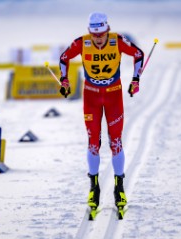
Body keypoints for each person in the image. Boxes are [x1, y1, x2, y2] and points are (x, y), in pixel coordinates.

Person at [58, 12, 144, 212]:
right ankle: (94, 187)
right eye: (94, 34)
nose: (98, 38)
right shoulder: (81, 42)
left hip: (113, 96)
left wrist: (135, 80)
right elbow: (64, 58)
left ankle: (119, 187)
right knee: (93, 143)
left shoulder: (117, 41)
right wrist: (64, 80)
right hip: (91, 97)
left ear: (107, 30)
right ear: (89, 32)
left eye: (101, 34)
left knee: (116, 142)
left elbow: (138, 54)